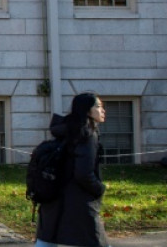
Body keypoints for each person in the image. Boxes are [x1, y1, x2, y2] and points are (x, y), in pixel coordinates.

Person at [35, 92, 109, 247]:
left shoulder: (65, 130)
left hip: (53, 195)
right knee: (96, 242)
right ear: (87, 111)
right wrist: (99, 188)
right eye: (98, 106)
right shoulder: (88, 134)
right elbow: (84, 173)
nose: (103, 110)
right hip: (79, 200)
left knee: (47, 240)